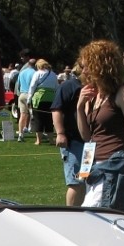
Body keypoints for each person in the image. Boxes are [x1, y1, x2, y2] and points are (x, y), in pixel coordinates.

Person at [75, 39, 124, 211]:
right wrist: (80, 107)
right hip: (93, 168)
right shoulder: (92, 95)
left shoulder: (123, 92)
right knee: (95, 222)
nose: (84, 70)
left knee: (96, 220)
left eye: (88, 65)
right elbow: (86, 136)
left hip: (113, 167)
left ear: (101, 65)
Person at [51, 64, 85, 206]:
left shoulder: (96, 87)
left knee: (84, 179)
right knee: (76, 182)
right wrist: (60, 133)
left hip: (88, 143)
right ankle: (73, 214)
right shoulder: (68, 86)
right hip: (73, 142)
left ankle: (84, 213)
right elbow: (56, 109)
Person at [27, 59, 58, 144]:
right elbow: (56, 87)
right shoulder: (53, 74)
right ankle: (51, 140)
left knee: (38, 119)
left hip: (39, 99)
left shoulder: (37, 74)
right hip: (50, 99)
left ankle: (38, 140)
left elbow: (32, 86)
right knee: (49, 119)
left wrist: (29, 99)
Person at [14, 57, 35, 142]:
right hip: (30, 95)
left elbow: (18, 85)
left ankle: (20, 134)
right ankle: (39, 134)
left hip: (22, 95)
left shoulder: (22, 72)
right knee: (34, 115)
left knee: (22, 115)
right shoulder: (35, 73)